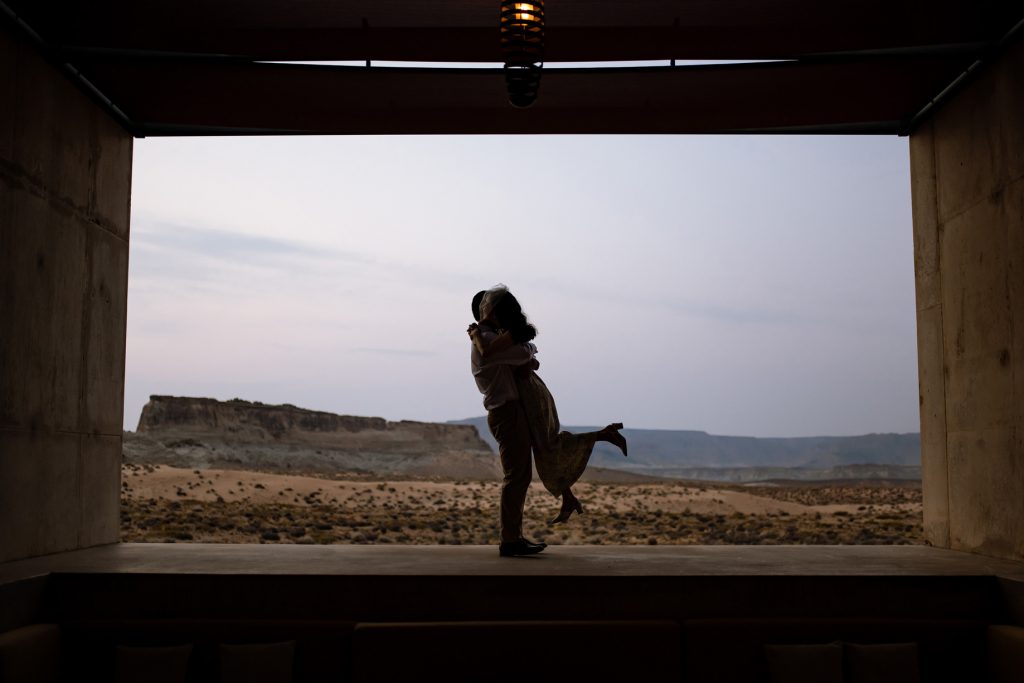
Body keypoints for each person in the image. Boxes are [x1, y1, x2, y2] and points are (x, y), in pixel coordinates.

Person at [468, 285, 627, 554]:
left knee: (538, 456)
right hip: (507, 413)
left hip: (513, 411)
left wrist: (528, 353)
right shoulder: (487, 341)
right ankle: (510, 540)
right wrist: (528, 352)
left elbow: (527, 353)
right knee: (518, 475)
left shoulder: (490, 338)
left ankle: (516, 535)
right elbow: (523, 354)